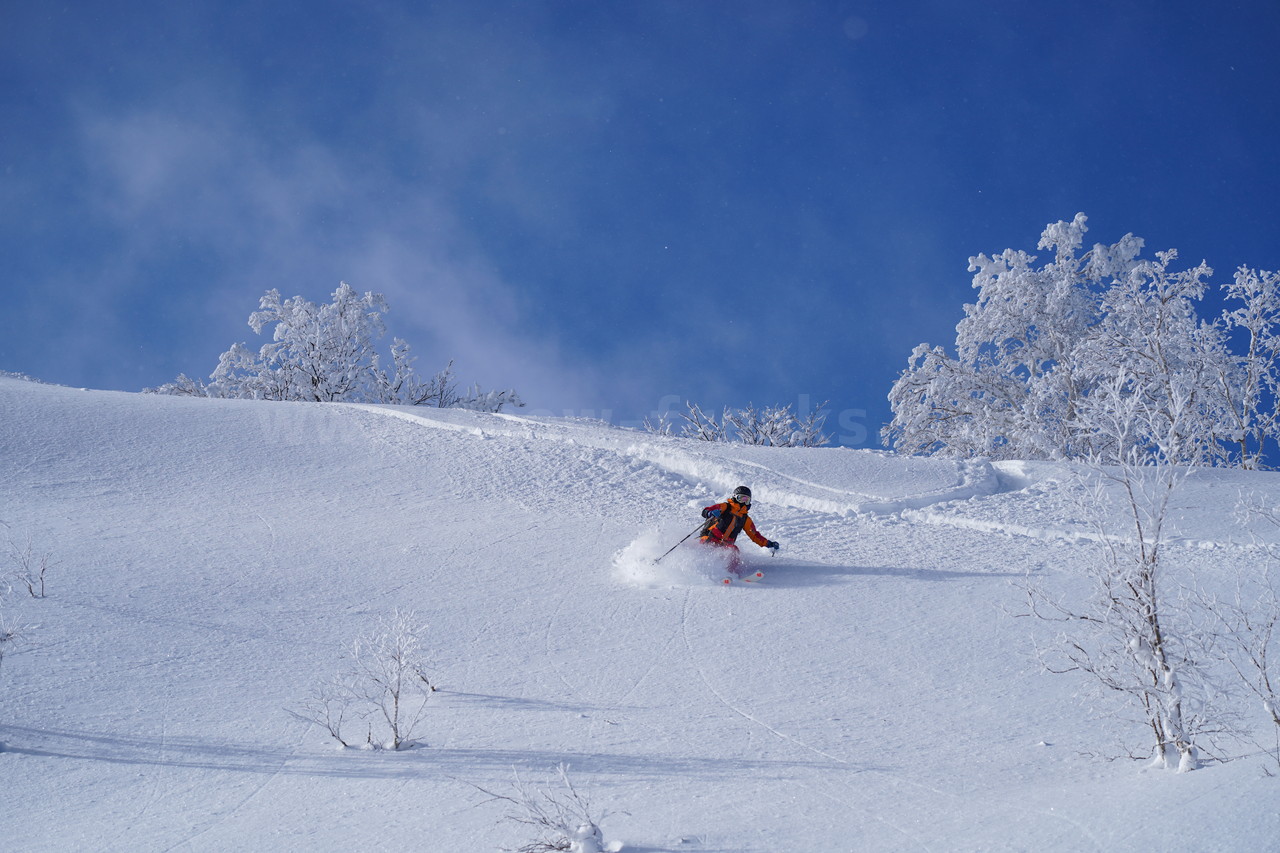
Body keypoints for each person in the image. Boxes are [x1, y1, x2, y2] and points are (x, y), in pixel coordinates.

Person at [699, 485, 779, 577]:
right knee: (704, 549)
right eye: (741, 498)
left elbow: (754, 535)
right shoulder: (725, 507)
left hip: (724, 544)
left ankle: (729, 574)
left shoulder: (745, 519)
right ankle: (702, 568)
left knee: (734, 551)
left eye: (746, 500)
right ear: (735, 497)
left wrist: (768, 543)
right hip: (710, 538)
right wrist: (709, 513)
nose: (743, 502)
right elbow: (706, 510)